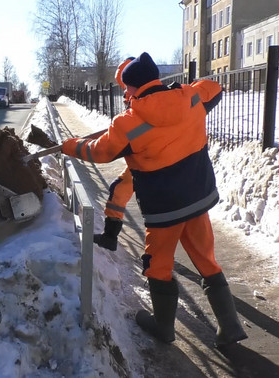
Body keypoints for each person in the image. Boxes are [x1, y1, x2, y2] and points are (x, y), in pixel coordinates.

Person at [61, 52, 247, 347]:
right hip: (198, 198)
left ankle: (163, 327)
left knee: (158, 265)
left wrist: (69, 146)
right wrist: (184, 90)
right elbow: (214, 88)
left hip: (164, 210)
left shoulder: (128, 123)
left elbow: (100, 152)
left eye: (126, 87)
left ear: (135, 87)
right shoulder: (190, 97)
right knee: (206, 259)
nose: (124, 93)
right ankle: (230, 325)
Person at [93, 57, 135, 251]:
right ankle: (109, 237)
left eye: (125, 86)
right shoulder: (133, 97)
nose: (124, 91)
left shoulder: (147, 97)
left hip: (155, 158)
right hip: (142, 159)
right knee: (119, 190)